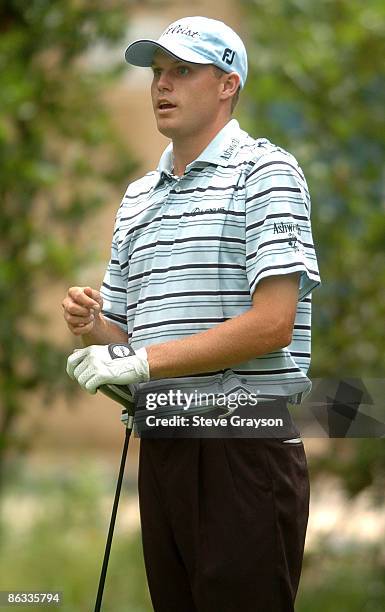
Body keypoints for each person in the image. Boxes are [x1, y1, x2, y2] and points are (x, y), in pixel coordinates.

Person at [63, 16, 321, 612]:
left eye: (183, 70)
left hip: (243, 445)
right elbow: (129, 339)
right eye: (157, 72)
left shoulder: (265, 173)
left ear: (228, 83)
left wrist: (140, 360)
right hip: (164, 444)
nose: (163, 86)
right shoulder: (138, 197)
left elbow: (272, 324)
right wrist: (95, 331)